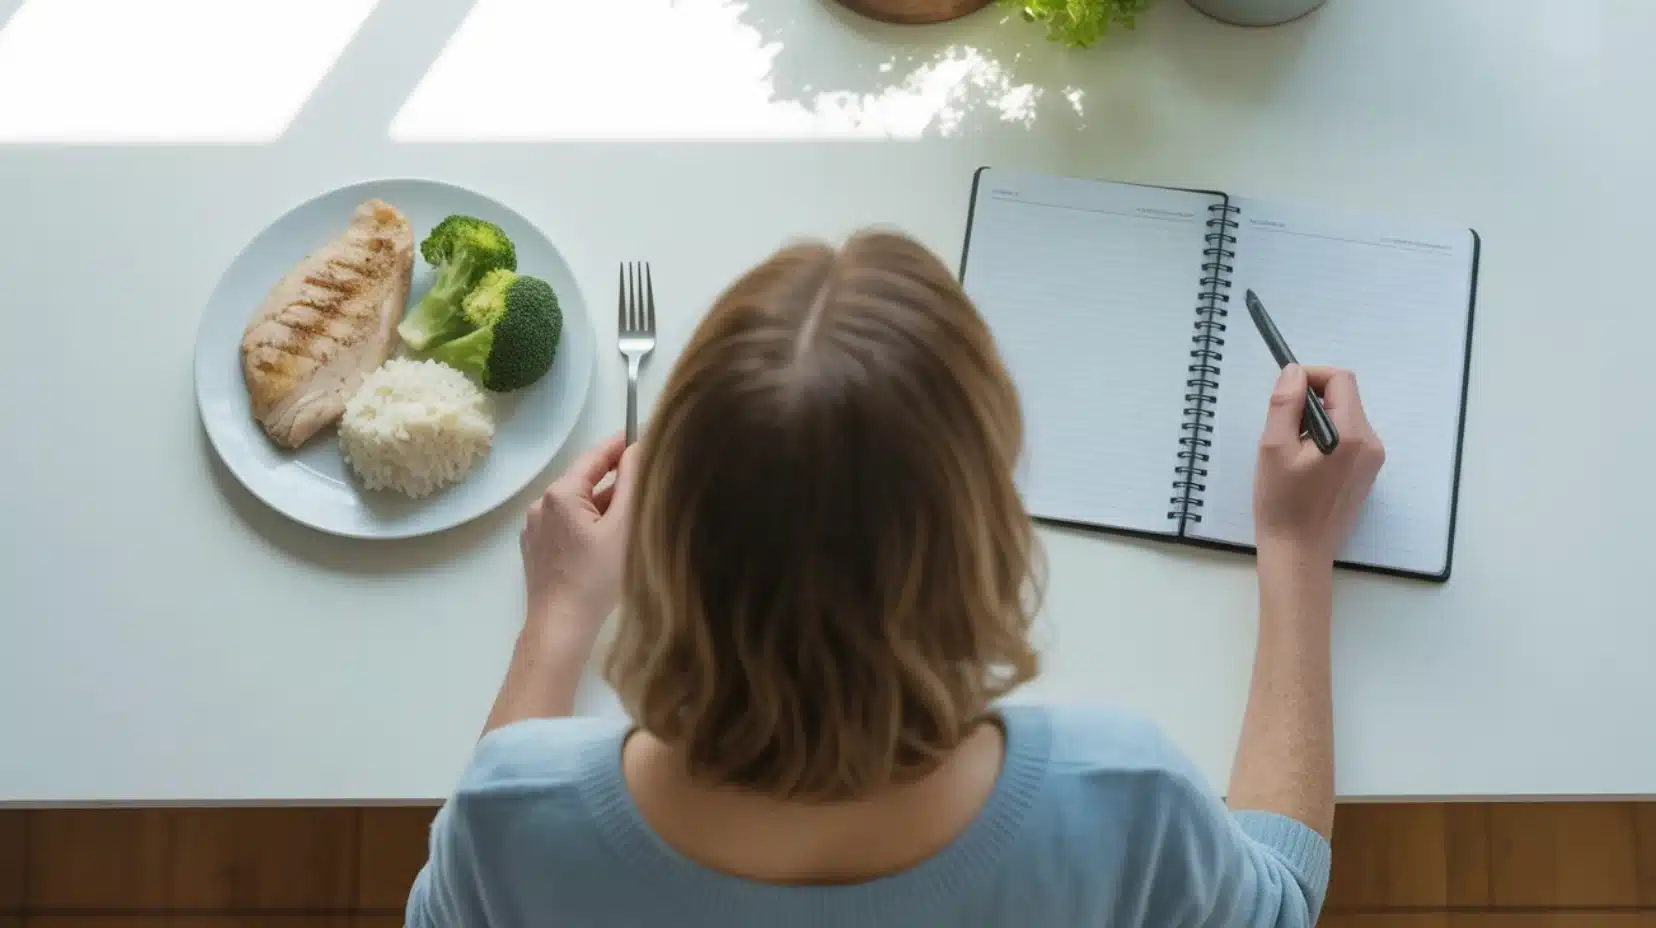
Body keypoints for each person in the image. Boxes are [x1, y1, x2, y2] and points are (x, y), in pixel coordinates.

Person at [407, 230, 1385, 927]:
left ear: (670, 528)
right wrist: (1296, 554)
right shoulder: (1122, 798)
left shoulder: (514, 814)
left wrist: (561, 616)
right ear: (985, 539)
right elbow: (1279, 904)